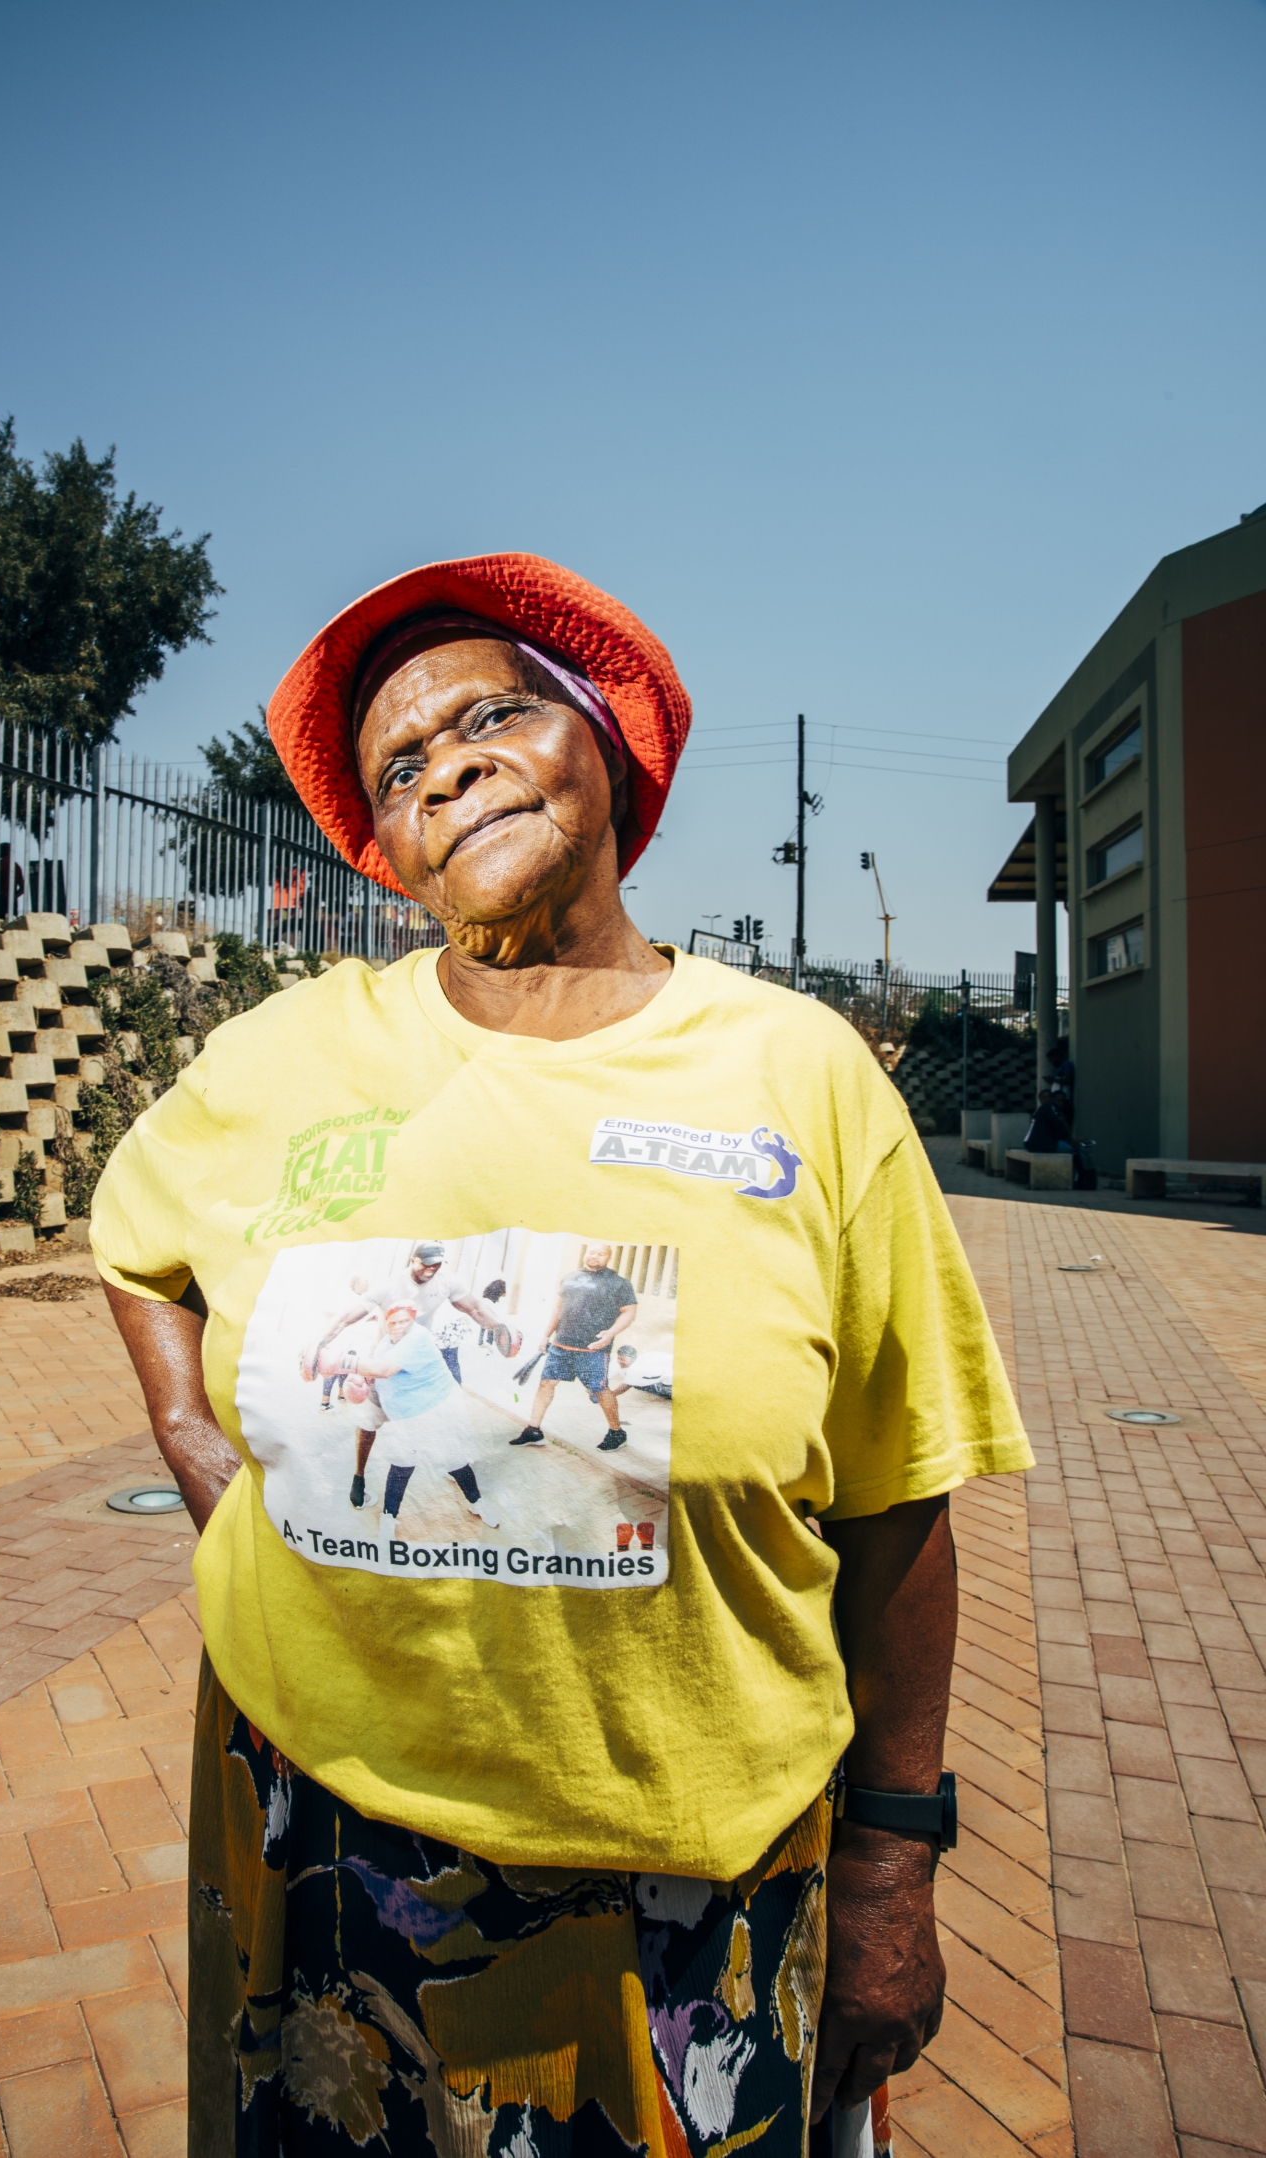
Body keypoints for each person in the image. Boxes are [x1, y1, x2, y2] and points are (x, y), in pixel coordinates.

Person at [92, 551, 1032, 2157]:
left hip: (684, 1887)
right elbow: (134, 1231)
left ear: (606, 745)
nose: (448, 762)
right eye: (401, 766)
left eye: (496, 714)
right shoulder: (289, 1056)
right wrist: (191, 1438)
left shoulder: (797, 1076)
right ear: (386, 851)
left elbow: (901, 1490)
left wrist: (893, 1859)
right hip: (322, 1839)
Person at [316, 1241, 502, 1504]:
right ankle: (359, 1477)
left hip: (415, 1369)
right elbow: (348, 1317)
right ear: (413, 1260)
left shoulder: (446, 1282)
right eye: (426, 1263)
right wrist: (320, 1342)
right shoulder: (390, 1284)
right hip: (383, 1366)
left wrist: (502, 1328)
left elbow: (475, 1308)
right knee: (369, 1424)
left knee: (439, 1428)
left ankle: (459, 1473)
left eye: (437, 1264)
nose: (432, 1269)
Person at [352, 1302, 495, 1524]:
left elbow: (385, 1369)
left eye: (404, 1321)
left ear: (413, 1320)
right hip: (406, 1417)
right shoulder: (384, 1345)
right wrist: (361, 1380)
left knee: (454, 1461)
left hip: (433, 1411)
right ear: (385, 1324)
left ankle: (477, 1503)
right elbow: (378, 1372)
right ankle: (388, 1520)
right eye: (393, 1322)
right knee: (401, 1466)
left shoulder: (419, 1337)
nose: (398, 1326)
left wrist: (340, 1363)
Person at [514, 1240, 639, 1451]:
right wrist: (546, 1336)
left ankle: (617, 1432)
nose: (595, 1256)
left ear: (608, 1258)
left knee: (599, 1389)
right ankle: (533, 1430)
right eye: (592, 1252)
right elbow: (558, 1309)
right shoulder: (569, 1278)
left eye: (601, 1254)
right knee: (546, 1384)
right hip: (561, 1346)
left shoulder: (619, 1283)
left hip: (593, 1349)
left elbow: (629, 1312)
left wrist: (610, 1334)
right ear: (585, 1254)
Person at [607, 1338, 674, 1402]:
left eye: (623, 1359)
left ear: (633, 1358)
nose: (619, 1361)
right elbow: (606, 1373)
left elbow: (626, 1385)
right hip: (663, 1368)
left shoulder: (637, 1368)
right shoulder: (622, 1360)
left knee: (670, 1393)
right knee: (636, 1383)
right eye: (619, 1358)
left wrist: (610, 1395)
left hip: (674, 1373)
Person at [1022, 1086, 1074, 1156]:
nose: (1047, 1099)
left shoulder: (1045, 1110)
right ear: (1040, 1100)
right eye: (1044, 1098)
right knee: (1072, 1149)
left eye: (1049, 1097)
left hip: (1031, 1143)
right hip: (1038, 1144)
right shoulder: (1046, 1107)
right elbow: (1058, 1125)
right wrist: (1071, 1141)